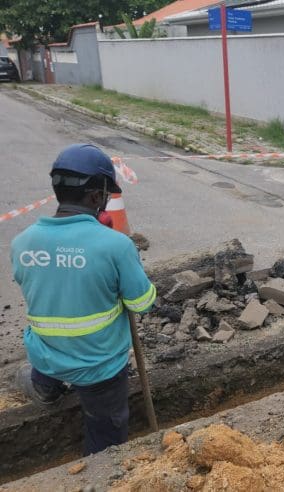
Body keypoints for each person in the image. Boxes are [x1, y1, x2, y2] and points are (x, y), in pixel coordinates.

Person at [10, 144, 156, 456]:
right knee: (107, 438)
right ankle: (102, 465)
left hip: (46, 356)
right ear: (94, 196)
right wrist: (127, 265)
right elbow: (142, 303)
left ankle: (46, 390)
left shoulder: (21, 243)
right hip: (99, 368)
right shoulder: (115, 246)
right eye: (105, 194)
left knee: (44, 365)